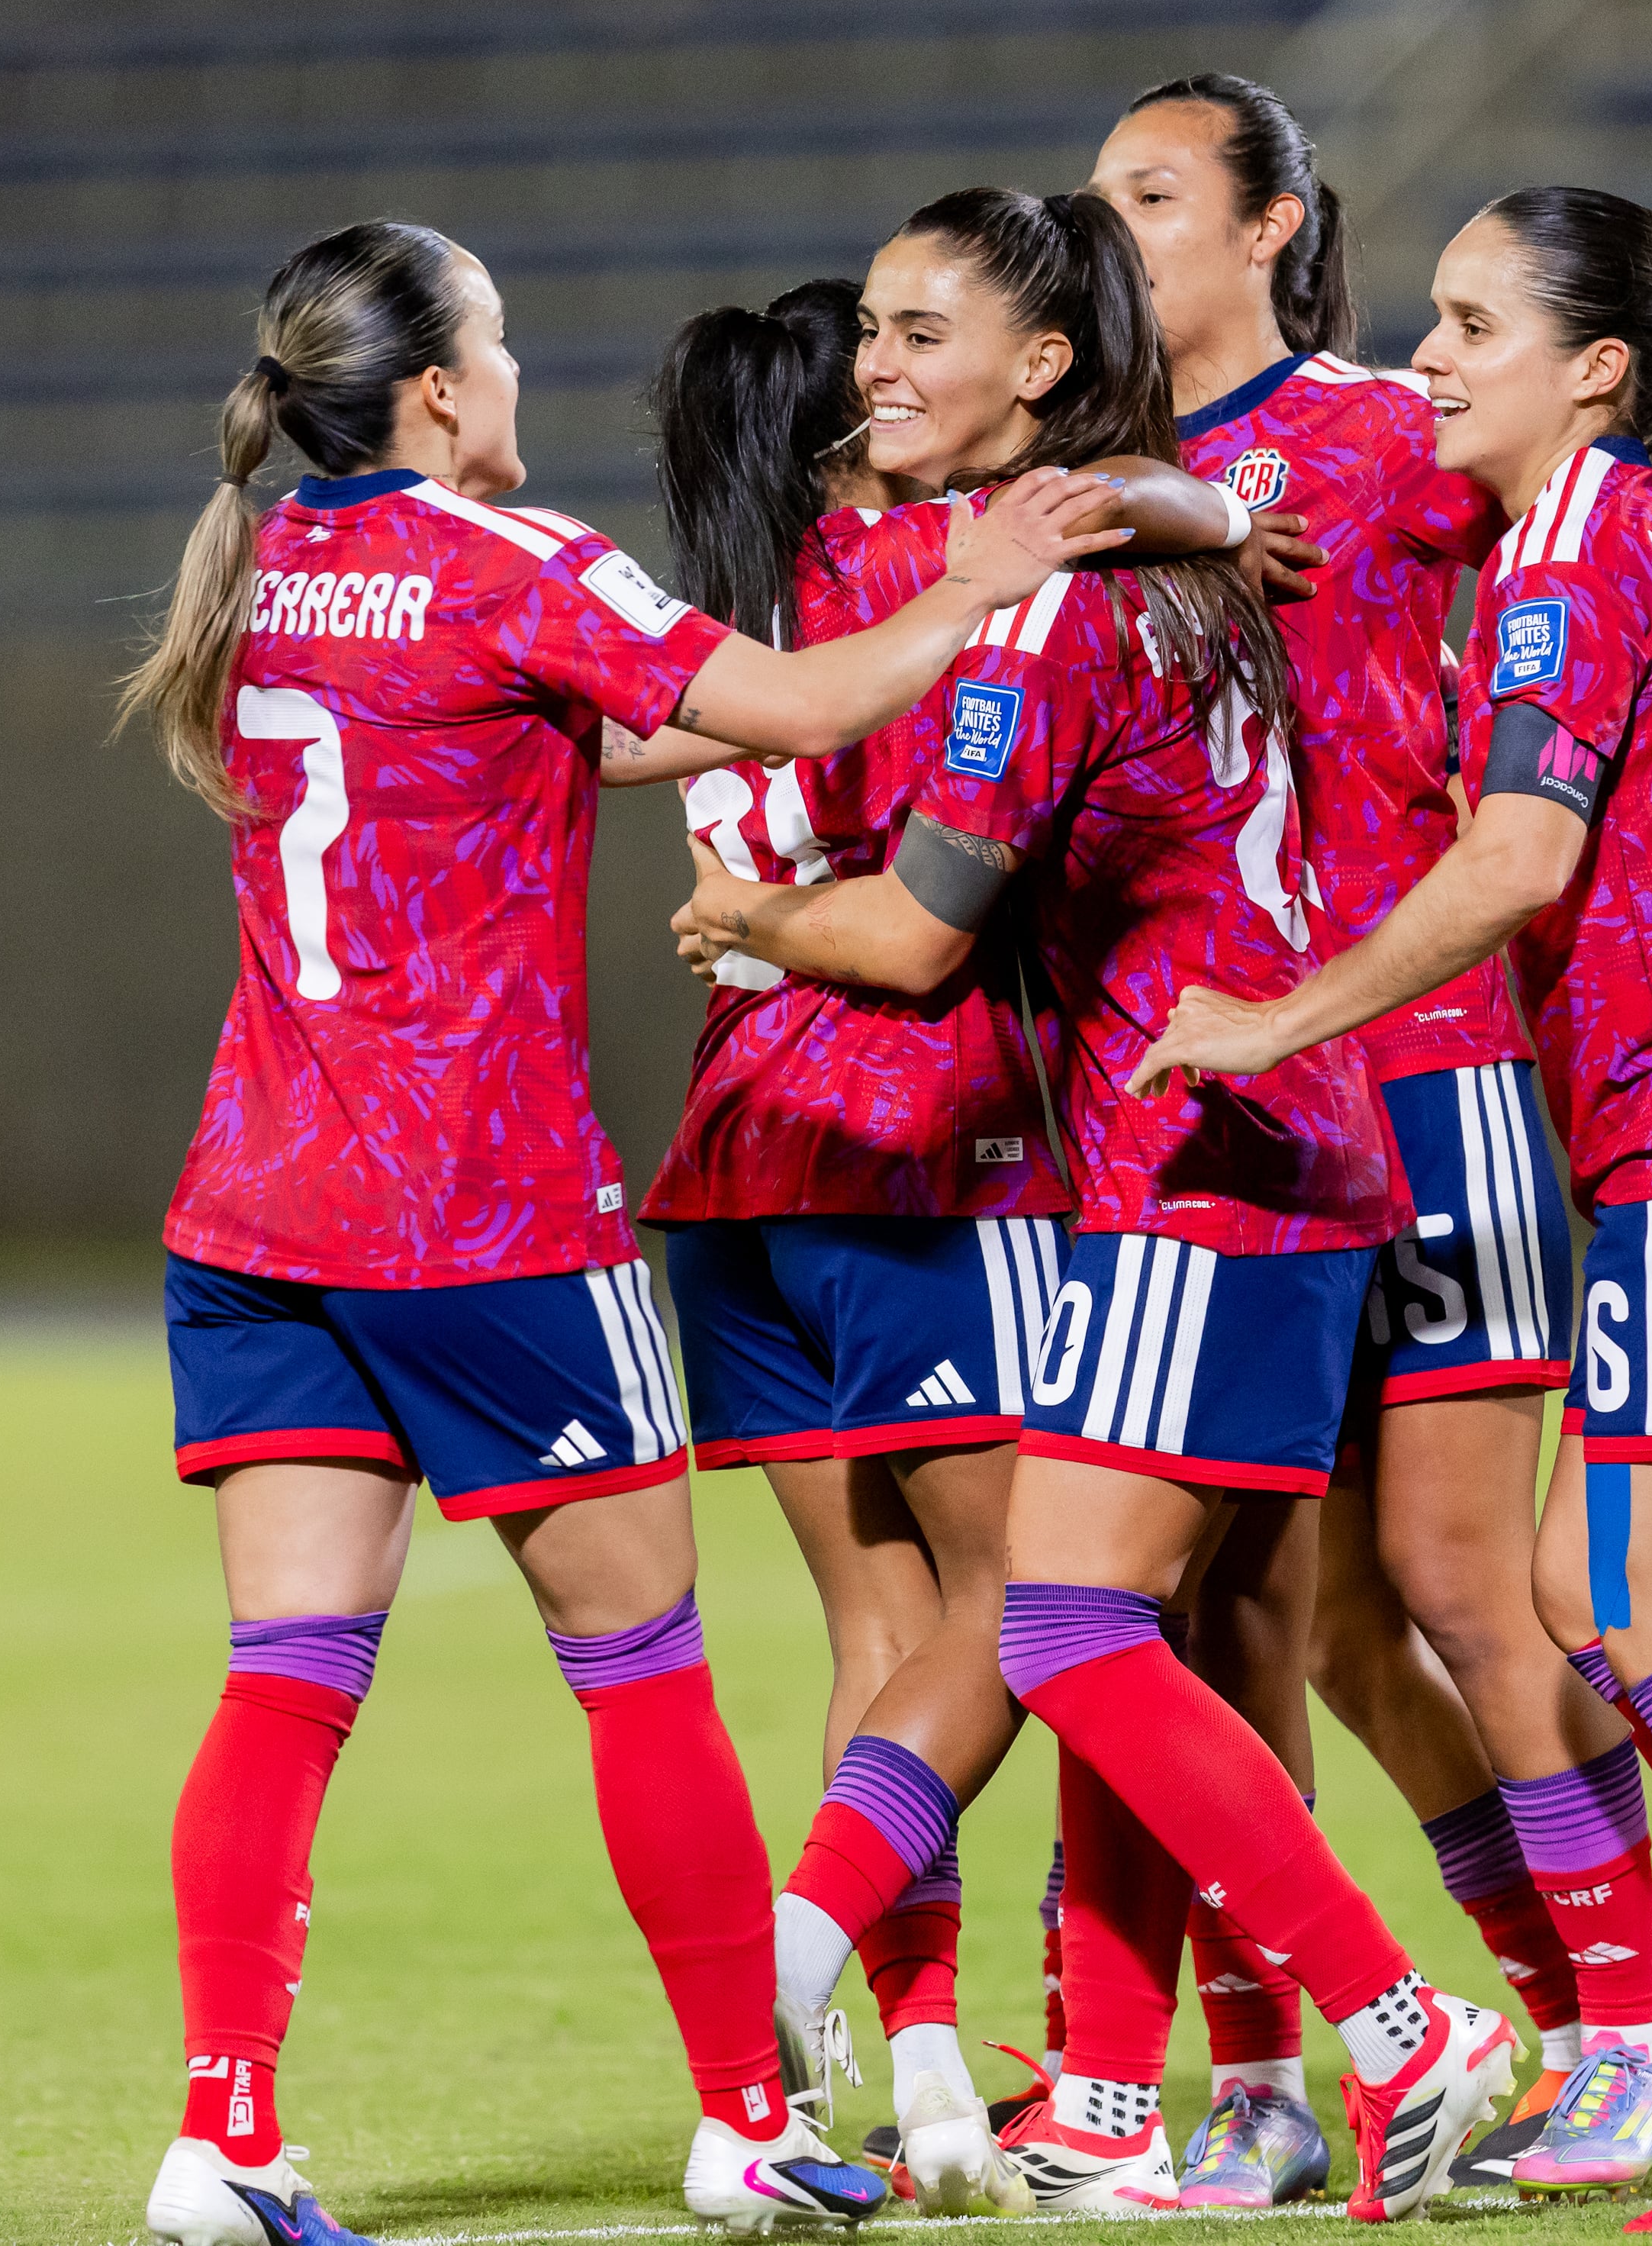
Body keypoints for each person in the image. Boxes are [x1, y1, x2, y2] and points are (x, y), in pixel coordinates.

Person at [114, 218, 1118, 2246]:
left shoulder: (262, 567)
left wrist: (842, 678)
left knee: (288, 1674)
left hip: (257, 1209)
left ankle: (221, 2133)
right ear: (435, 391)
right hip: (485, 1218)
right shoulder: (519, 562)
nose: (513, 373)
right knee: (641, 1662)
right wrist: (988, 581)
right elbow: (777, 689)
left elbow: (625, 727)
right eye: (491, 342)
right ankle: (750, 2117)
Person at [675, 185, 1531, 2225]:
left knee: (1062, 1616)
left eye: (918, 329)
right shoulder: (1162, 548)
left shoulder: (1050, 605)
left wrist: (749, 910)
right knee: (1164, 1618)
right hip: (1283, 1136)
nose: (876, 365)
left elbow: (908, 937)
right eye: (867, 330)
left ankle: (1408, 2018)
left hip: (1178, 1152)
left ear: (1043, 365)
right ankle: (1155, 2085)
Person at [1135, 189, 1652, 2235]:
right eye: (1431, 316)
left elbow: (1514, 857)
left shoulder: (1571, 556)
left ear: (1598, 368)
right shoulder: (1585, 540)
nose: (1431, 355)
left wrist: (1275, 1017)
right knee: (1595, 1605)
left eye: (1474, 322)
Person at [1089, 77, 1652, 2207]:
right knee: (1273, 1626)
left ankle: (1643, 2023)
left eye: (1152, 196)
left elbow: (1619, 498)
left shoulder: (1396, 426)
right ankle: (1373, 2052)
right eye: (1093, 200)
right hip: (1228, 1097)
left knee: (1472, 1582)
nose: (1109, 233)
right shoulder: (1095, 480)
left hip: (1424, 1057)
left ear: (1277, 224)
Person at [617, 275, 1303, 2214]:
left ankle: (909, 2079)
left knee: (874, 1631)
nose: (910, 387)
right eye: (884, 362)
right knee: (1054, 1605)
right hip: (926, 1139)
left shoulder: (716, 628)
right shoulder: (943, 561)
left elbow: (611, 756)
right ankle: (849, 1987)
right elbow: (1157, 505)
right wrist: (1230, 512)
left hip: (730, 1153)